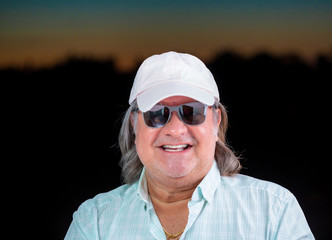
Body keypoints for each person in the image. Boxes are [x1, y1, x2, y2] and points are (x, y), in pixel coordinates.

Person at [65, 51, 314, 239]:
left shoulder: (274, 210)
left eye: (192, 112)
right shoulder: (94, 222)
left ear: (216, 120)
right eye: (157, 113)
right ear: (134, 124)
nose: (174, 130)